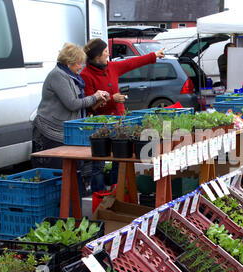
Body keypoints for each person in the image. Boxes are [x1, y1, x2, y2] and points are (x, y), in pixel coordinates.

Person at [80, 38, 165, 193]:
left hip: (119, 121)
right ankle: (99, 194)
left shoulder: (112, 67)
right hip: (101, 125)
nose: (108, 54)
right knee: (98, 163)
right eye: (105, 51)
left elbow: (132, 63)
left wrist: (154, 55)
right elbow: (91, 107)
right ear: (97, 56)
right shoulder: (86, 75)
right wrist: (113, 99)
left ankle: (116, 190)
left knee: (119, 159)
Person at [32, 42, 109, 169]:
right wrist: (94, 97)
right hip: (51, 130)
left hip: (64, 130)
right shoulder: (58, 75)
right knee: (59, 169)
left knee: (72, 168)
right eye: (78, 63)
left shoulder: (70, 76)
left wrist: (96, 100)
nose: (80, 66)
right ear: (69, 62)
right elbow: (72, 104)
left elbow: (79, 101)